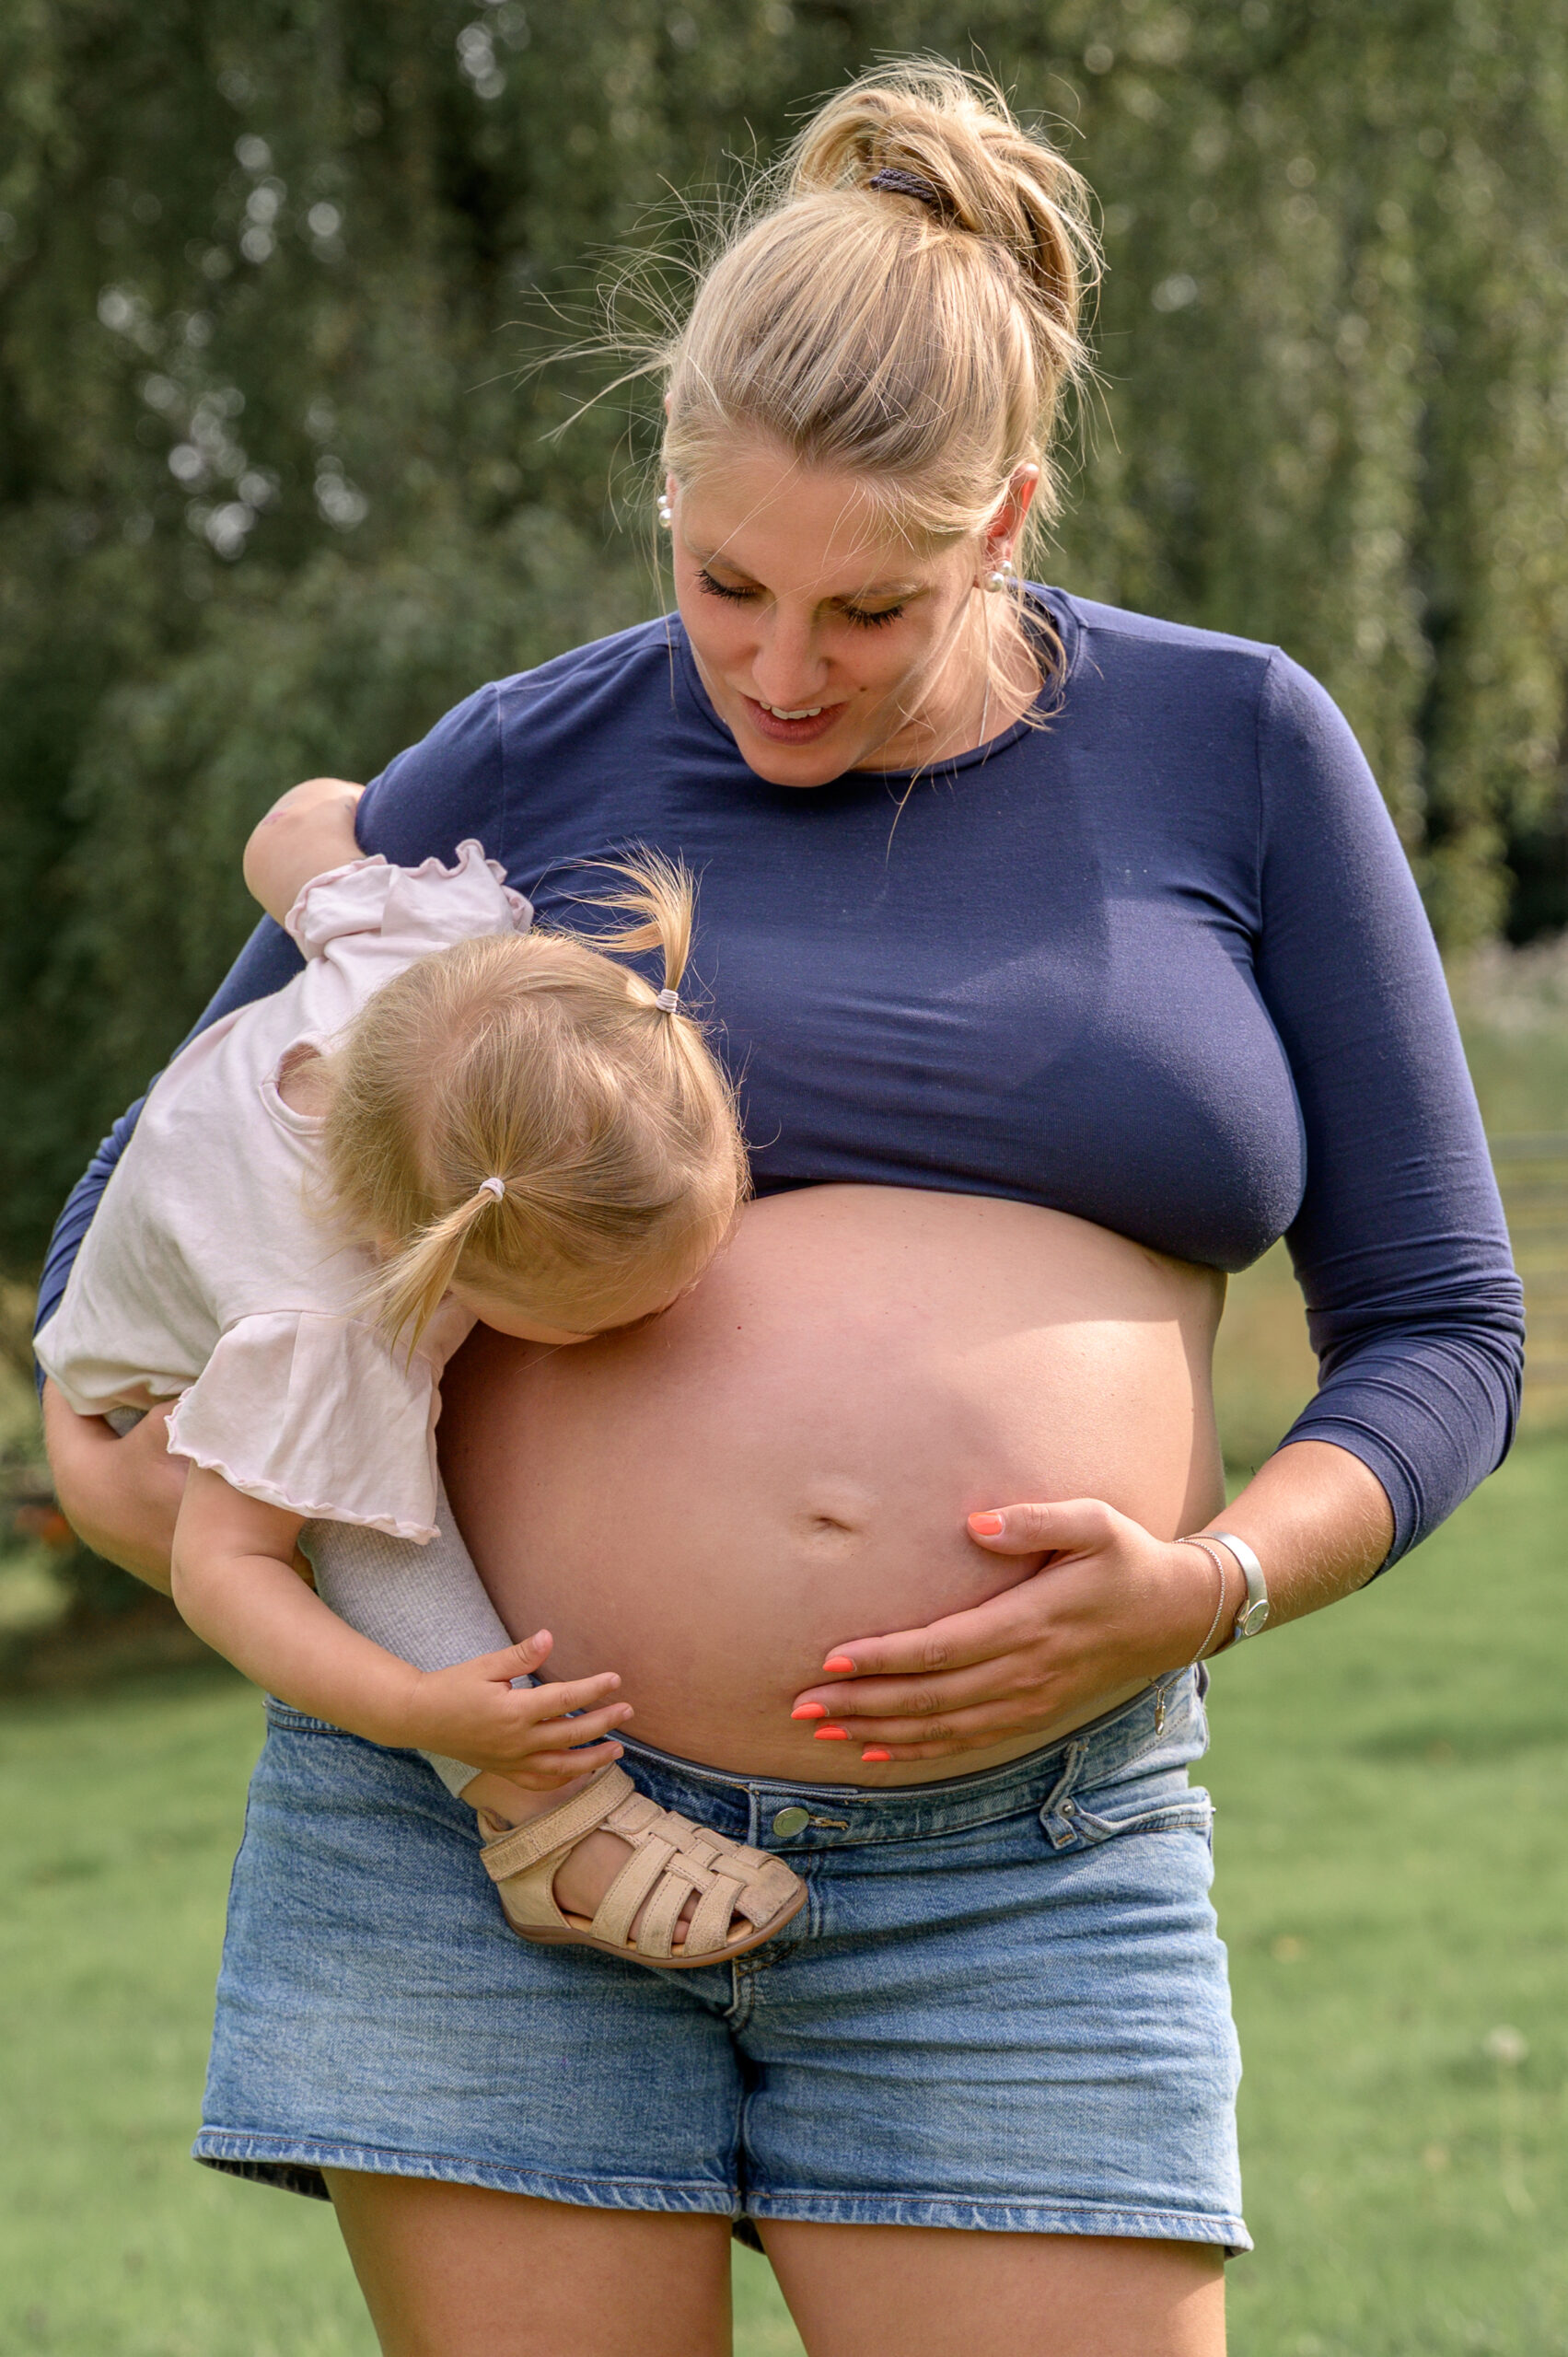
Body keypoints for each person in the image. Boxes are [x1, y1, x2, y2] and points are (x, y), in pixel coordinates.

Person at [39, 61, 1521, 2357]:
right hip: (485, 1846)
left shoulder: (1230, 744)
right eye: (721, 578)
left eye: (873, 602)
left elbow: (1439, 1327)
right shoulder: (524, 760)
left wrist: (1207, 1582)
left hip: (1019, 1863)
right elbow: (158, 1237)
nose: (778, 666)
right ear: (662, 488)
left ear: (1010, 514)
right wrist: (397, 1650)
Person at [36, 784, 804, 1967]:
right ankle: (539, 1824)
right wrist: (416, 1706)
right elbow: (222, 1565)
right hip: (164, 1372)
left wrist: (336, 814)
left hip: (231, 1202)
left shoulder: (431, 961)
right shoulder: (323, 1330)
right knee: (370, 1518)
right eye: (616, 1320)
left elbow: (283, 828)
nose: (674, 1316)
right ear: (443, 1274)